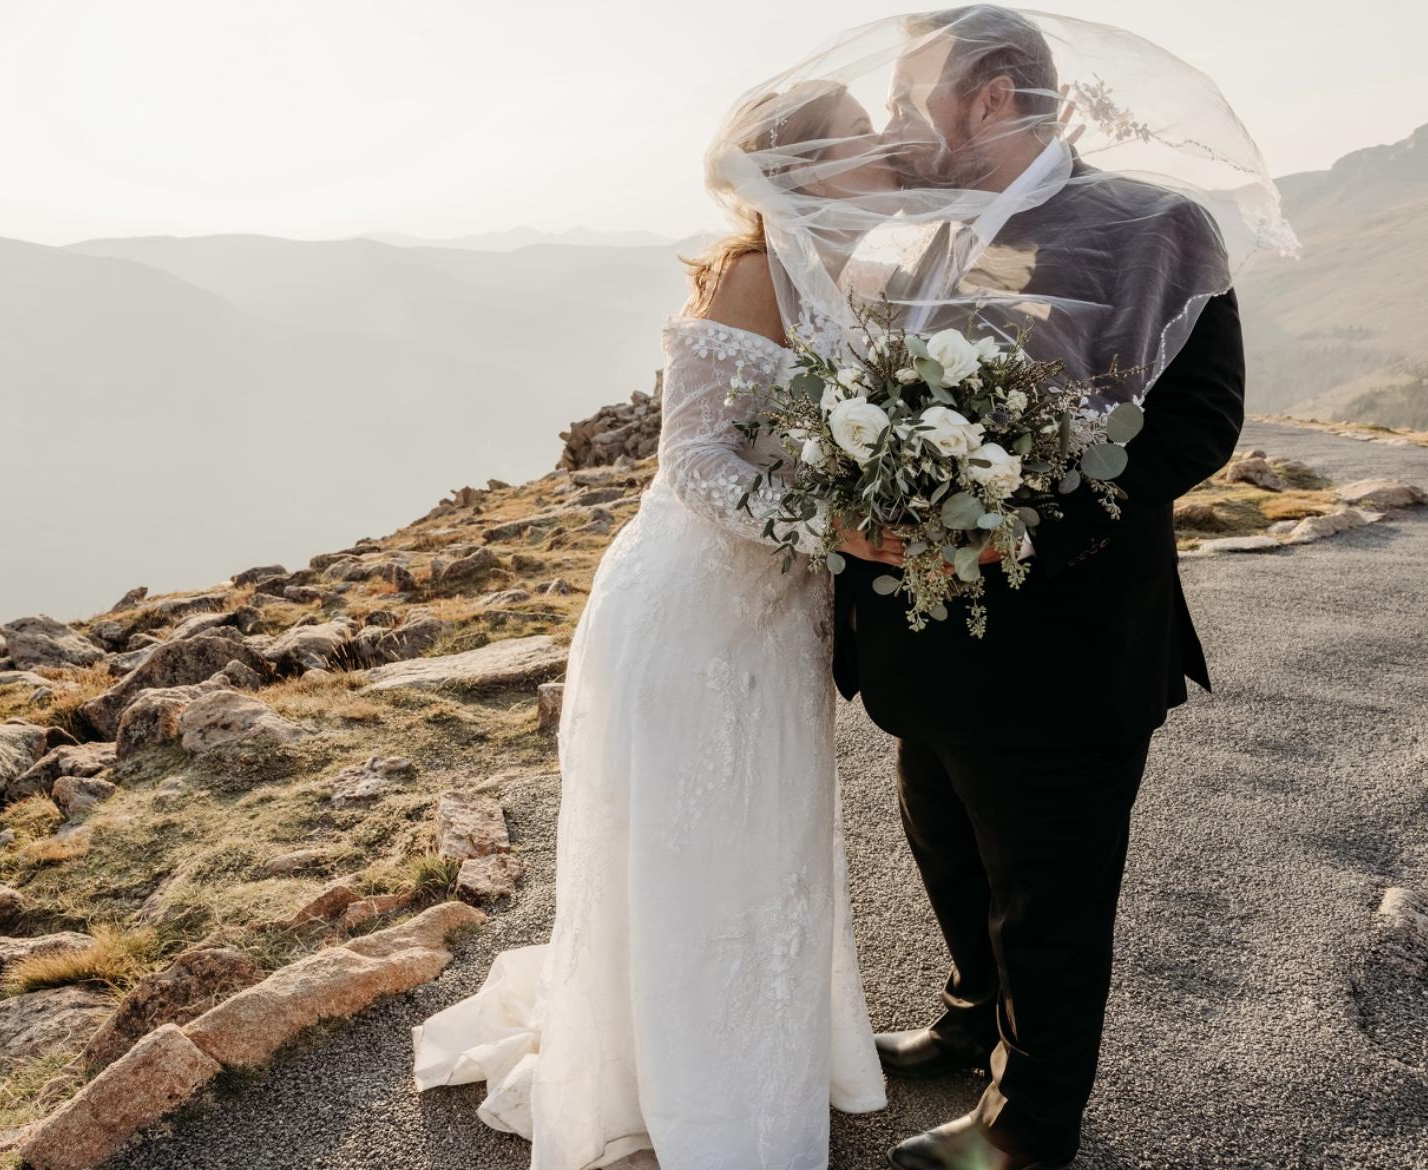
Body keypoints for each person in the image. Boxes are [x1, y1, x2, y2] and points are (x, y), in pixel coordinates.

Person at [409, 82, 892, 1170]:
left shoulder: (846, 276)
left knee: (771, 838)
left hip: (777, 616)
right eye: (861, 134)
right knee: (701, 849)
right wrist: (842, 530)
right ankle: (698, 1096)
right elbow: (695, 463)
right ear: (804, 165)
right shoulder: (755, 274)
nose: (886, 145)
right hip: (697, 612)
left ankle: (772, 1056)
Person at [830, 8, 1251, 1169]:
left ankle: (1032, 1123)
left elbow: (1198, 427)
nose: (894, 130)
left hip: (1065, 639)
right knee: (950, 851)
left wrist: (1017, 537)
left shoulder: (1156, 227)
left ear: (995, 97)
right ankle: (973, 1023)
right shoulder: (916, 244)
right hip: (925, 644)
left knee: (1049, 899)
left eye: (914, 100)